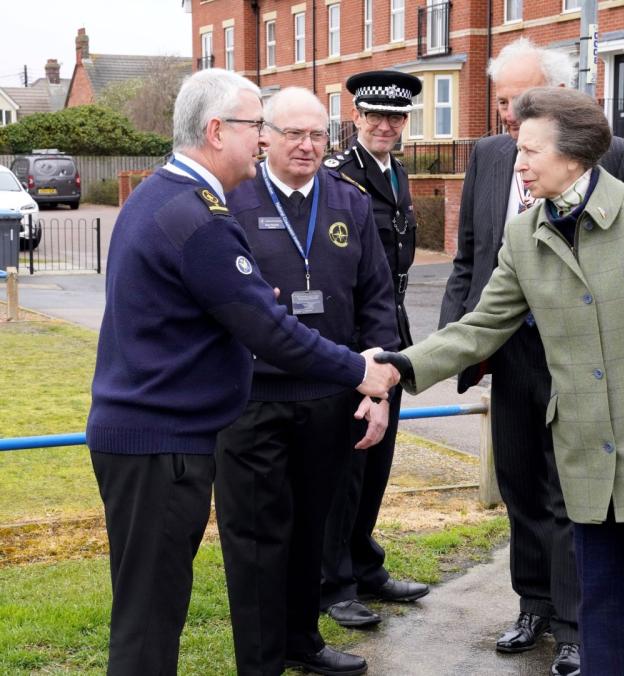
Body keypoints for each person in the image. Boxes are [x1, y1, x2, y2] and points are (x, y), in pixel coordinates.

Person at [379, 86, 624, 676]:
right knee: (598, 605)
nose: (517, 162)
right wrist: (403, 365)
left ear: (573, 155)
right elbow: (480, 327)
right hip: (579, 442)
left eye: (529, 150)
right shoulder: (524, 236)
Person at [86, 69, 398, 676]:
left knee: (152, 610)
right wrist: (360, 371)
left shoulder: (161, 195)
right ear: (215, 130)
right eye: (257, 125)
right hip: (161, 444)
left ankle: (296, 640)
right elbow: (267, 329)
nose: (262, 139)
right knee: (150, 620)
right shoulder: (198, 216)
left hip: (151, 438)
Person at [437, 37, 624, 675]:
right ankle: (533, 603)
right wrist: (455, 346)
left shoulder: (615, 156)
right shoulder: (489, 155)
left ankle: (576, 624)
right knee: (520, 481)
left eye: (521, 101)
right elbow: (468, 256)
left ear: (556, 96)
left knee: (570, 491)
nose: (507, 113)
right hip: (509, 349)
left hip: (579, 351)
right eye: (502, 101)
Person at [214, 86, 399, 676]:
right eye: (294, 133)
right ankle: (261, 661)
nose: (307, 145)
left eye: (317, 134)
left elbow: (376, 300)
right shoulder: (232, 200)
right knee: (256, 539)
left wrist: (377, 390)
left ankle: (302, 640)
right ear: (263, 135)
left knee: (311, 528)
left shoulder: (351, 202)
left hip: (329, 398)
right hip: (252, 401)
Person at [319, 70, 430, 630]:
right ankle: (333, 582)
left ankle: (364, 564)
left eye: (396, 118)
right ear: (356, 118)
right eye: (375, 116)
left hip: (391, 333)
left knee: (378, 459)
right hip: (352, 339)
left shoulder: (398, 174)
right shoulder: (339, 177)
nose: (385, 126)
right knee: (347, 465)